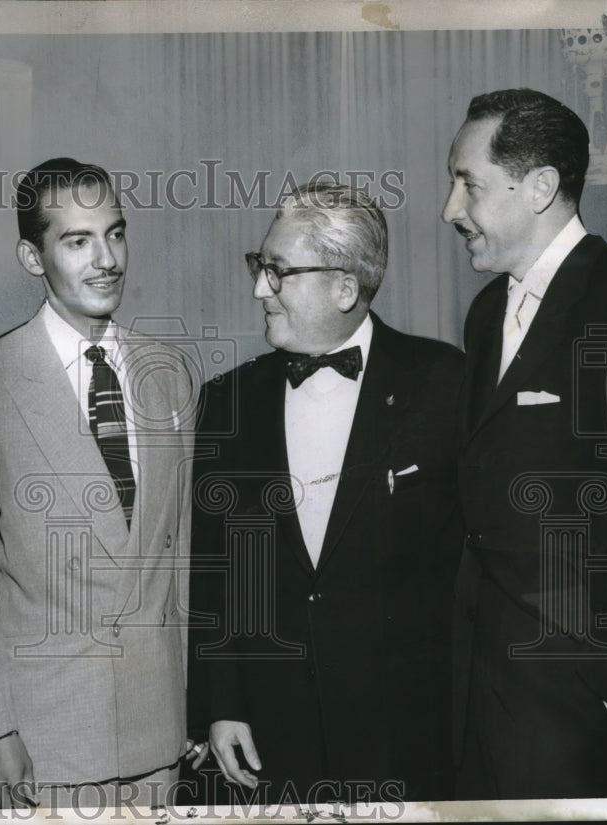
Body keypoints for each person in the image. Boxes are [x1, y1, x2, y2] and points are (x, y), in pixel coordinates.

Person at [188, 182, 464, 807]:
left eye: (278, 271)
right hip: (268, 739)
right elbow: (214, 569)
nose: (260, 288)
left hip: (406, 735)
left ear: (344, 286)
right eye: (260, 267)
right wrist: (222, 703)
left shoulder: (444, 384)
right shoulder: (228, 400)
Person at [0, 158, 197, 812]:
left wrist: (195, 697)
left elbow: (183, 555)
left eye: (115, 234)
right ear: (33, 257)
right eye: (77, 241)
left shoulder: (168, 372)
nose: (106, 258)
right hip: (44, 733)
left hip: (160, 723)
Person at [443, 88, 607, 799]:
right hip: (481, 705)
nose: (450, 210)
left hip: (586, 722)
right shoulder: (484, 311)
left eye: (467, 183)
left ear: (540, 187)